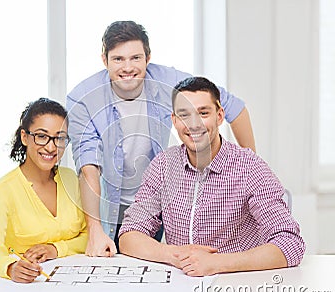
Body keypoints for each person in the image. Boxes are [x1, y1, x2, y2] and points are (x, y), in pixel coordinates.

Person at [67, 20, 256, 257]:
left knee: (156, 271)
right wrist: (94, 229)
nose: (128, 67)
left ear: (148, 57)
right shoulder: (82, 98)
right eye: (118, 59)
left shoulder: (168, 81)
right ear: (104, 60)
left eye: (135, 58)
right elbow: (87, 165)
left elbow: (234, 107)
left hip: (156, 202)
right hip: (106, 207)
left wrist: (251, 167)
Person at [118, 77, 305, 276]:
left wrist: (217, 263)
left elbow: (290, 244)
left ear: (219, 115)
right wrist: (175, 254)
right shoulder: (163, 166)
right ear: (174, 120)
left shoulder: (250, 168)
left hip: (237, 285)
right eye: (184, 115)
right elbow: (129, 235)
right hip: (181, 285)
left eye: (203, 113)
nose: (194, 124)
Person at [0, 98, 87, 283]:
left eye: (60, 138)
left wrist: (55, 249)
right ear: (24, 137)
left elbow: (89, 236)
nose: (51, 147)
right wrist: (10, 267)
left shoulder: (70, 179)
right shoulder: (1, 190)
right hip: (28, 285)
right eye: (42, 136)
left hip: (73, 281)